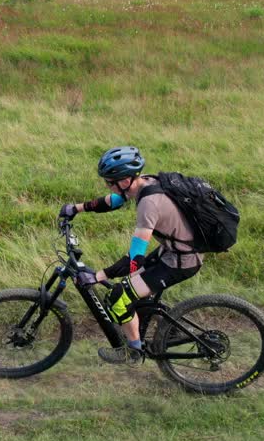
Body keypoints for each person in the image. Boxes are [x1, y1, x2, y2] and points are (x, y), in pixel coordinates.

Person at [58, 146, 203, 365]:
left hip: (181, 261)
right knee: (133, 290)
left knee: (118, 298)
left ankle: (132, 352)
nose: (108, 185)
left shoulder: (149, 205)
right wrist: (76, 208)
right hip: (174, 251)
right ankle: (162, 328)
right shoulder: (145, 182)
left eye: (110, 181)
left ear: (125, 180)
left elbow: (134, 260)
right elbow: (113, 201)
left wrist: (97, 276)